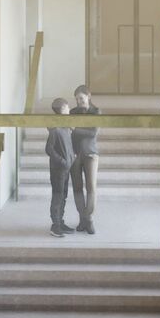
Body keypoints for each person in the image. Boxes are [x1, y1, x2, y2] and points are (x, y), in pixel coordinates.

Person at [68, 86, 100, 235]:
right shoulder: (72, 112)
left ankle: (89, 218)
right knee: (77, 187)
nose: (79, 101)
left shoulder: (96, 112)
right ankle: (82, 219)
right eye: (77, 99)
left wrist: (75, 129)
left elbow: (92, 133)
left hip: (91, 153)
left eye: (81, 98)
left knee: (91, 187)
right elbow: (68, 131)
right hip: (74, 153)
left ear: (89, 96)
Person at [44, 98, 76, 238]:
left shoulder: (65, 127)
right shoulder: (55, 129)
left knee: (63, 195)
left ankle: (60, 222)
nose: (69, 110)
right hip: (58, 169)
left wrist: (71, 158)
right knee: (58, 195)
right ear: (63, 109)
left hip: (65, 168)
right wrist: (63, 161)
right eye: (67, 107)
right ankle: (55, 226)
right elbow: (49, 149)